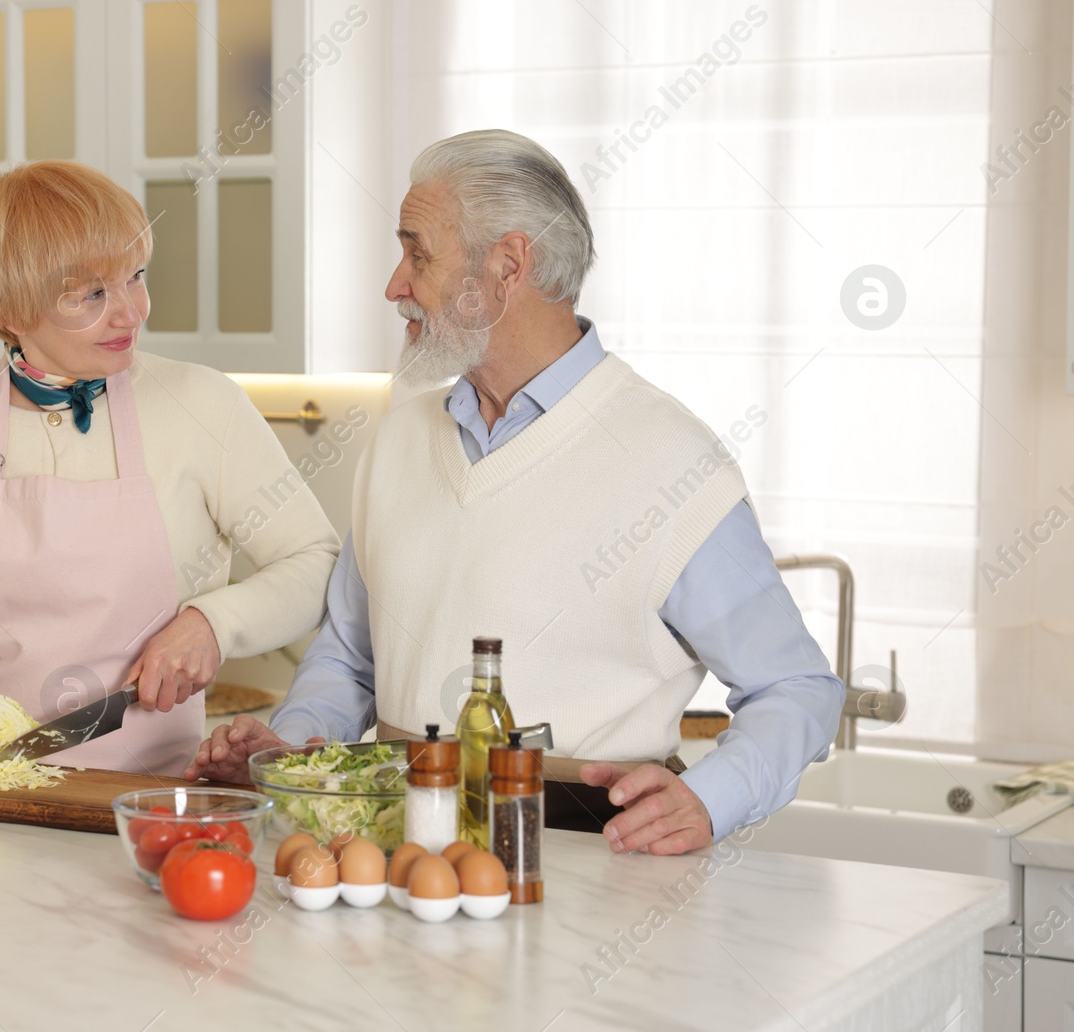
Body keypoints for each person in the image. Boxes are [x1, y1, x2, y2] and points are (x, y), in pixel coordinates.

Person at [187, 129, 844, 854]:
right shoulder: (398, 438)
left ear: (508, 264)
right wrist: (290, 746)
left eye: (418, 253)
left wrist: (711, 799)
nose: (394, 284)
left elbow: (799, 686)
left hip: (588, 867)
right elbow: (350, 658)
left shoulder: (671, 462)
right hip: (392, 859)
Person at [0, 161, 339, 775]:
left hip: (142, 811)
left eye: (136, 277)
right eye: (93, 295)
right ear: (10, 308)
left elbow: (316, 564)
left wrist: (214, 622)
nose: (132, 313)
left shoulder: (204, 406)